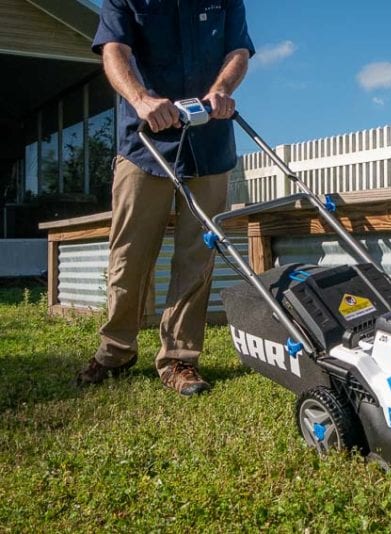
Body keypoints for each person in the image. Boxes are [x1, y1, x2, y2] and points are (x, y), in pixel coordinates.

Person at [75, 0, 255, 395]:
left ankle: (179, 358)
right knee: (129, 253)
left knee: (197, 255)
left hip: (209, 142)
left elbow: (238, 51)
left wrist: (221, 90)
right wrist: (140, 99)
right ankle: (116, 350)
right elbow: (114, 49)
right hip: (145, 142)